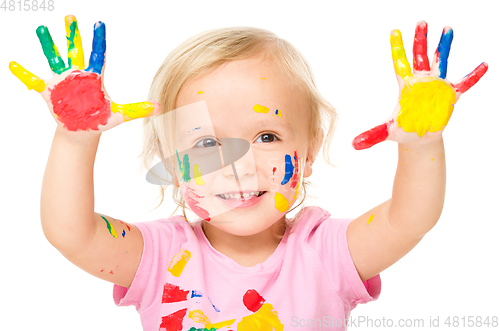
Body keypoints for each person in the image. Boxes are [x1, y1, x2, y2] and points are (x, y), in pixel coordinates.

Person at [9, 15, 487, 331]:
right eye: (208, 143)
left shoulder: (327, 253)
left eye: (266, 137)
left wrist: (424, 143)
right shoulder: (158, 257)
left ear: (311, 148)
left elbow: (410, 219)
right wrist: (76, 138)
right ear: (174, 167)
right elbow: (69, 232)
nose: (239, 164)